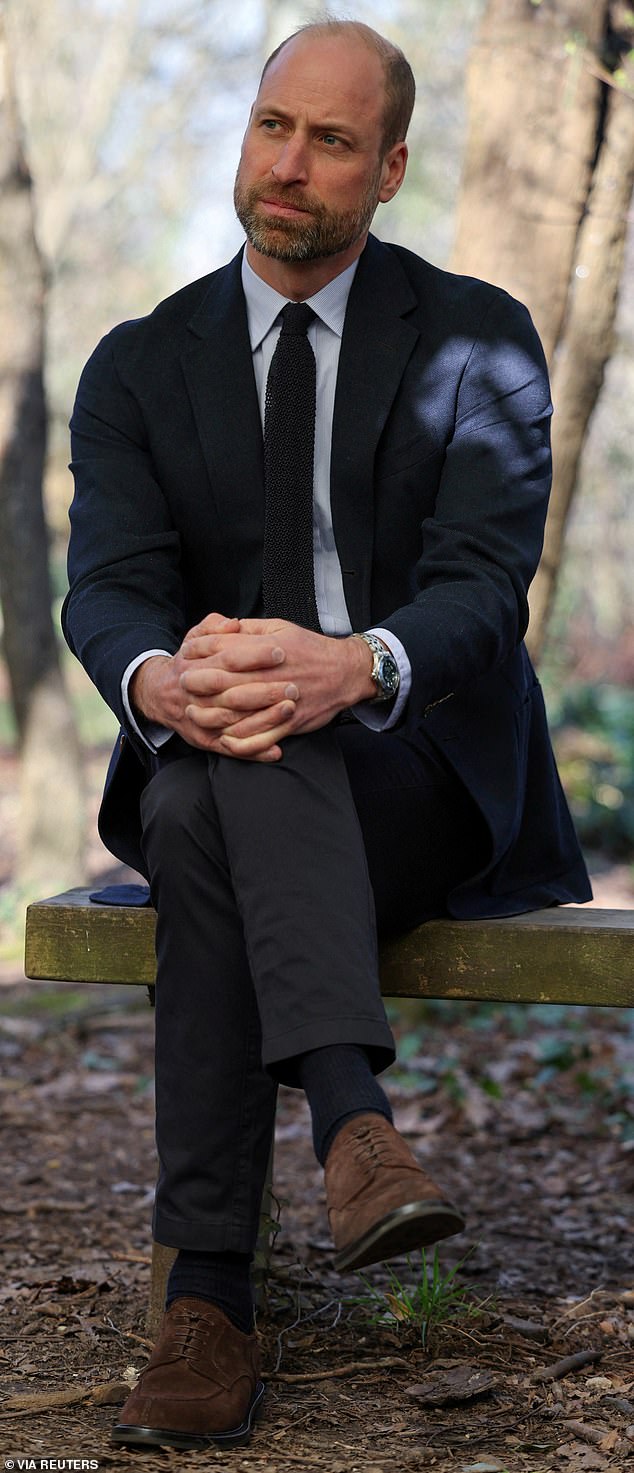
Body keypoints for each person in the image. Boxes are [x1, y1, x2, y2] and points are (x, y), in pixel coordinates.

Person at [63, 17, 591, 1452]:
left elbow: (483, 587)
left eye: (333, 141)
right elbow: (108, 588)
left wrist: (350, 665)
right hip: (214, 756)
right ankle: (353, 1125)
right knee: (207, 787)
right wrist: (159, 680)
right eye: (272, 126)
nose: (289, 165)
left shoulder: (475, 338)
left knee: (231, 778)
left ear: (391, 168)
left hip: (420, 774)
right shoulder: (138, 363)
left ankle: (209, 1297)